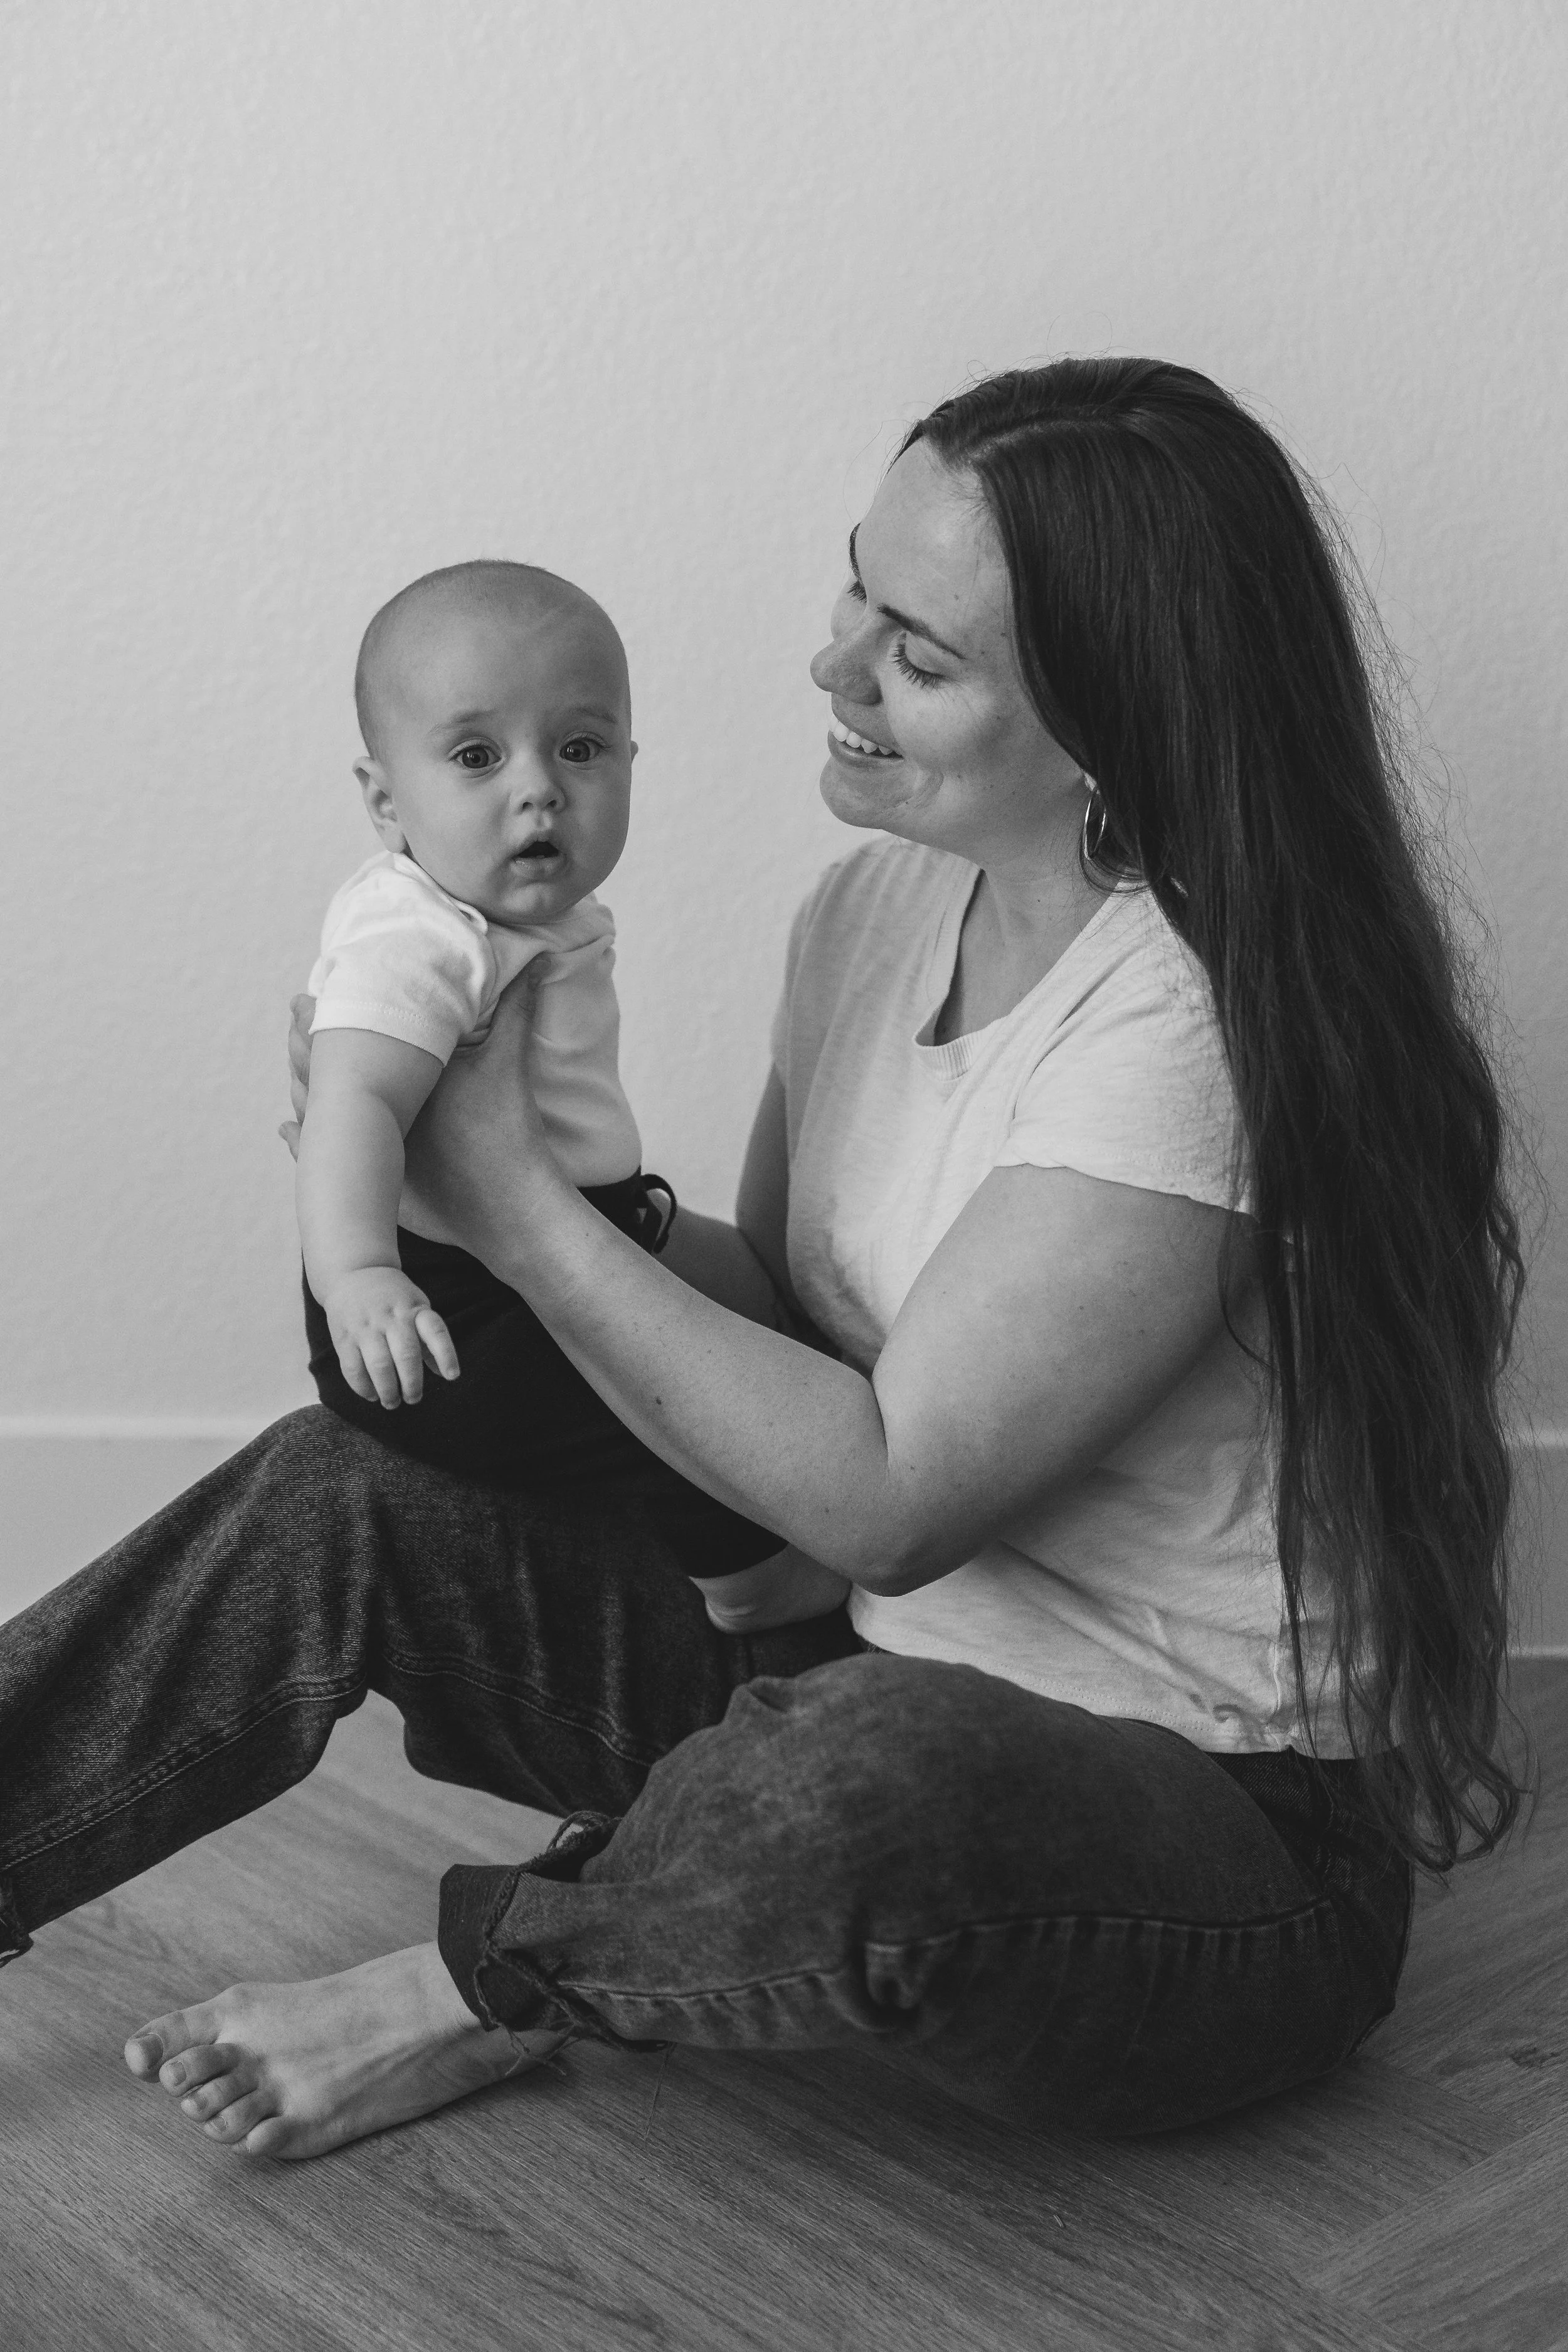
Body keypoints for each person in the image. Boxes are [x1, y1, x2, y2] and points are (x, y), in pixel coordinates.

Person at [0, 358, 1528, 2165]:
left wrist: (514, 1206)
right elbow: (794, 1334)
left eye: (918, 654)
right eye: (855, 587)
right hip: (829, 1658)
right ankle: (612, 1914)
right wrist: (448, 1222)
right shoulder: (874, 908)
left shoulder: (1192, 1030)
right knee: (341, 1481)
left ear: (1113, 725)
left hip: (1194, 1829)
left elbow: (889, 1498)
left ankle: (483, 1977)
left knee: (861, 1775)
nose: (830, 665)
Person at [297, 556, 844, 1628]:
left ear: (632, 764)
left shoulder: (522, 923)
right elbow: (348, 1100)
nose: (538, 786)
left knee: (714, 1366)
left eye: (581, 748)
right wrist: (356, 1270)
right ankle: (747, 1579)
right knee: (680, 1412)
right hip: (445, 1305)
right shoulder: (422, 934)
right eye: (475, 755)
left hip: (542, 1246)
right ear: (384, 798)